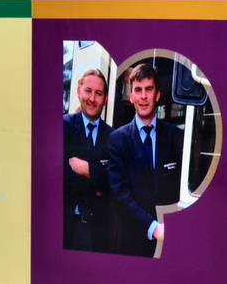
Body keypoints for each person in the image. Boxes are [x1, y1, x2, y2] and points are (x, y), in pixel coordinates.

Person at [106, 62, 187, 257]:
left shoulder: (176, 136)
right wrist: (152, 227)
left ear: (157, 95)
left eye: (149, 89)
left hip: (172, 242)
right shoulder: (118, 140)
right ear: (131, 96)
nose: (143, 96)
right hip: (133, 243)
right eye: (138, 90)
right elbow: (119, 194)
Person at [62, 67, 111, 252]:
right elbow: (62, 177)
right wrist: (98, 187)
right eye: (88, 91)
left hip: (99, 231)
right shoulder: (63, 126)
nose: (92, 99)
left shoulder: (114, 137)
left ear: (105, 99)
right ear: (79, 91)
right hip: (67, 227)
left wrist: (86, 169)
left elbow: (117, 181)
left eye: (98, 93)